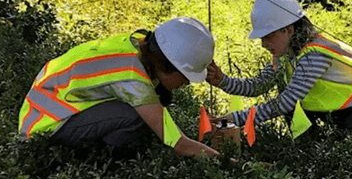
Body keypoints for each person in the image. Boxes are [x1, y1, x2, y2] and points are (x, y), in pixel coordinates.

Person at [18, 16, 228, 160]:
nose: (187, 83)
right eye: (185, 77)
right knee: (135, 116)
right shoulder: (133, 77)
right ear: (166, 65)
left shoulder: (139, 43)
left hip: (45, 108)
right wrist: (227, 162)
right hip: (44, 128)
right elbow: (179, 143)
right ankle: (104, 164)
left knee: (146, 112)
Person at [206, 0, 352, 140]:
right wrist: (222, 81)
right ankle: (311, 143)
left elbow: (286, 101)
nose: (264, 44)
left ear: (288, 30)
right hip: (343, 109)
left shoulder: (314, 54)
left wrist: (234, 119)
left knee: (347, 142)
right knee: (312, 127)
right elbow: (257, 86)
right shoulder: (285, 55)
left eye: (268, 37)